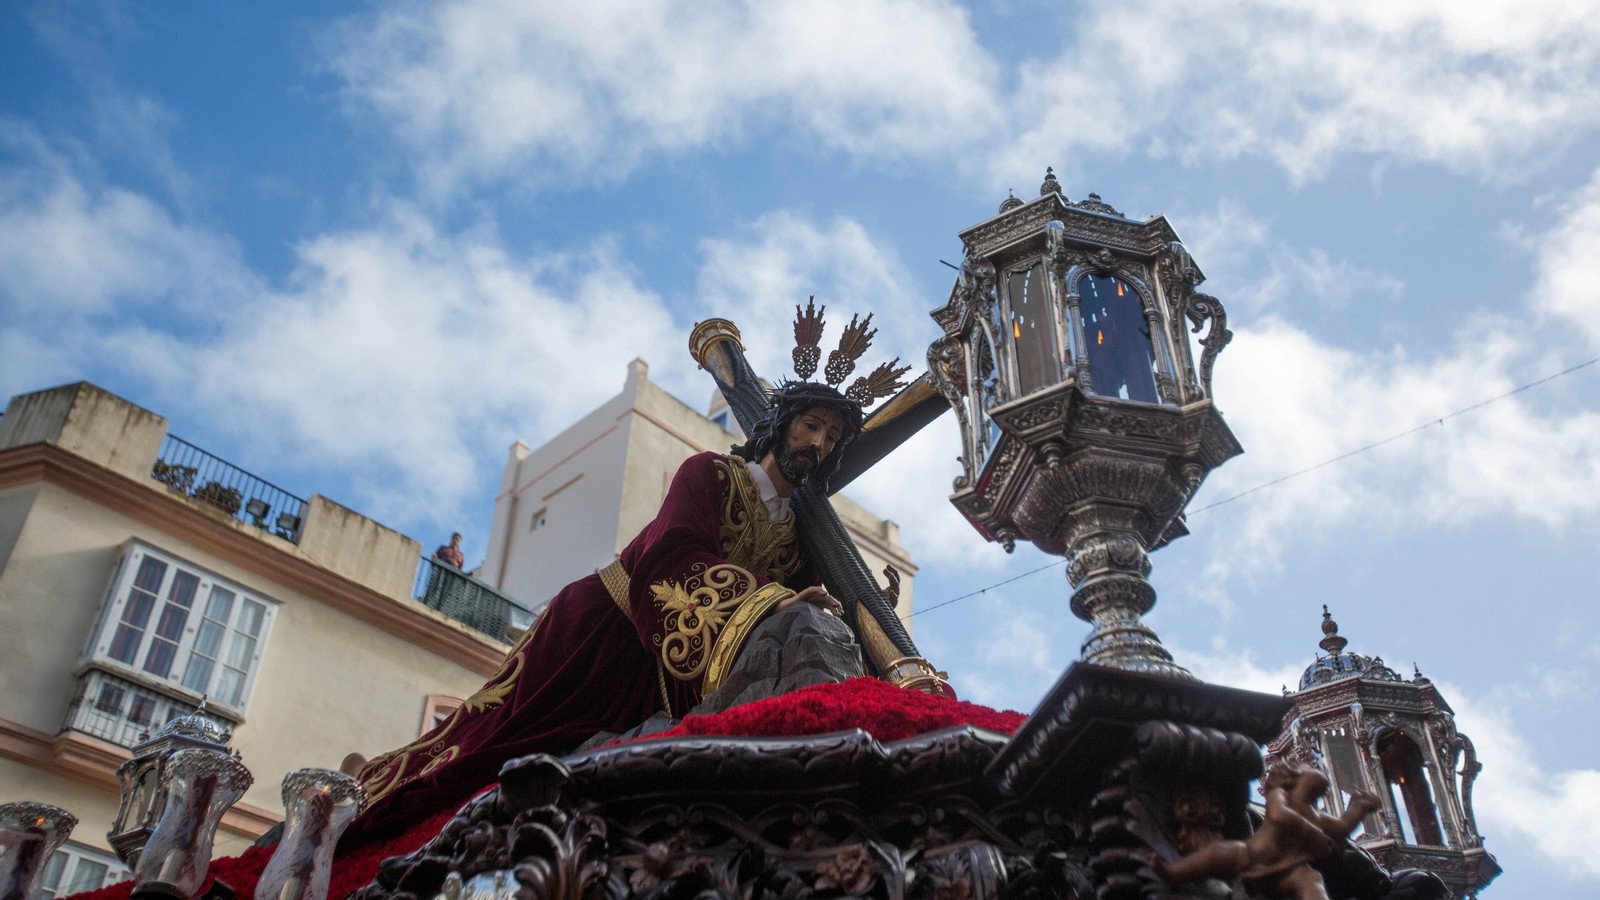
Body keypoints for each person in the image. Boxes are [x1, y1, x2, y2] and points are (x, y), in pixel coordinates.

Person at [351, 381, 859, 837]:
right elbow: (672, 557)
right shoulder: (712, 474)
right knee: (497, 743)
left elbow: (805, 608)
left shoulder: (801, 535)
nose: (818, 444)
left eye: (831, 437)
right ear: (782, 425)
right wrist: (769, 601)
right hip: (601, 633)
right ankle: (369, 800)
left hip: (664, 673)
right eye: (810, 426)